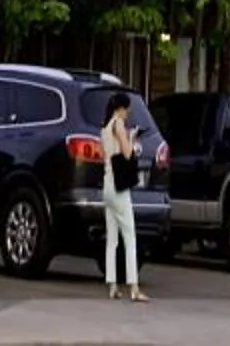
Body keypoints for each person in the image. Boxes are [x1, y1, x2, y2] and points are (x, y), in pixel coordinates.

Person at [99, 93, 144, 303]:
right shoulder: (118, 124)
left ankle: (112, 285)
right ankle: (133, 287)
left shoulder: (105, 128)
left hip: (107, 185)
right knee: (130, 236)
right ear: (120, 109)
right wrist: (132, 140)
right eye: (126, 109)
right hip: (119, 187)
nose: (128, 113)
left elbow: (105, 156)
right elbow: (126, 154)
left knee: (112, 239)